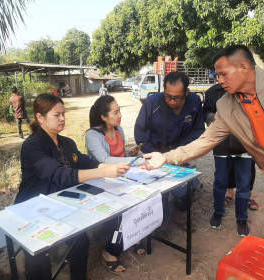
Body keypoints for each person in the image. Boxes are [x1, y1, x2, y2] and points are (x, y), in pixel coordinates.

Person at [140, 45, 264, 249]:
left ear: (244, 67)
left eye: (223, 74)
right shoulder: (226, 106)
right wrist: (167, 157)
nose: (219, 80)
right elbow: (206, 140)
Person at [14, 93, 130, 280]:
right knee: (38, 254)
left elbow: (85, 162)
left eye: (63, 114)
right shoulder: (32, 146)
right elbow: (60, 175)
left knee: (80, 240)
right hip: (33, 207)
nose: (62, 119)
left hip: (60, 203)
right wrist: (103, 172)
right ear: (40, 117)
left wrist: (111, 167)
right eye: (56, 115)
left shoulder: (66, 143)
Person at [134, 71, 205, 231]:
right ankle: (159, 224)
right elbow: (141, 134)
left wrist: (181, 153)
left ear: (186, 92)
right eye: (167, 96)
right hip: (155, 156)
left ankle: (178, 215)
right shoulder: (152, 103)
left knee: (187, 190)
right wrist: (155, 156)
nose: (171, 101)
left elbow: (198, 130)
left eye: (177, 98)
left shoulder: (194, 102)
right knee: (159, 194)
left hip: (179, 156)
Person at [85, 95, 145, 273]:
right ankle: (110, 251)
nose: (120, 115)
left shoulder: (118, 130)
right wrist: (133, 160)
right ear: (103, 117)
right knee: (124, 209)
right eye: (116, 112)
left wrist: (130, 154)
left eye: (120, 111)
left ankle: (133, 236)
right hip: (100, 181)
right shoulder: (92, 135)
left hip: (121, 176)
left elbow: (120, 155)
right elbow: (104, 160)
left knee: (144, 199)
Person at [203, 83, 252, 236]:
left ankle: (242, 219)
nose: (223, 78)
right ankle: (218, 212)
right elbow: (206, 112)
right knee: (220, 181)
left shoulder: (249, 89)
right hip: (222, 144)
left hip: (244, 144)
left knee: (244, 184)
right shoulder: (212, 92)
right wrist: (215, 118)